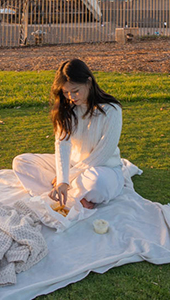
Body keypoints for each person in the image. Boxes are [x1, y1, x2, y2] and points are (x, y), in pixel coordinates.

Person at [13, 59, 124, 210]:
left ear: (89, 82)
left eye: (75, 90)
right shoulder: (66, 109)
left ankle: (63, 191)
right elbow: (62, 145)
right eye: (66, 92)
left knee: (99, 184)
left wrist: (66, 178)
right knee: (21, 162)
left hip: (102, 168)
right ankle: (74, 194)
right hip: (72, 164)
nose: (71, 96)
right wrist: (63, 178)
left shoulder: (112, 110)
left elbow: (102, 155)